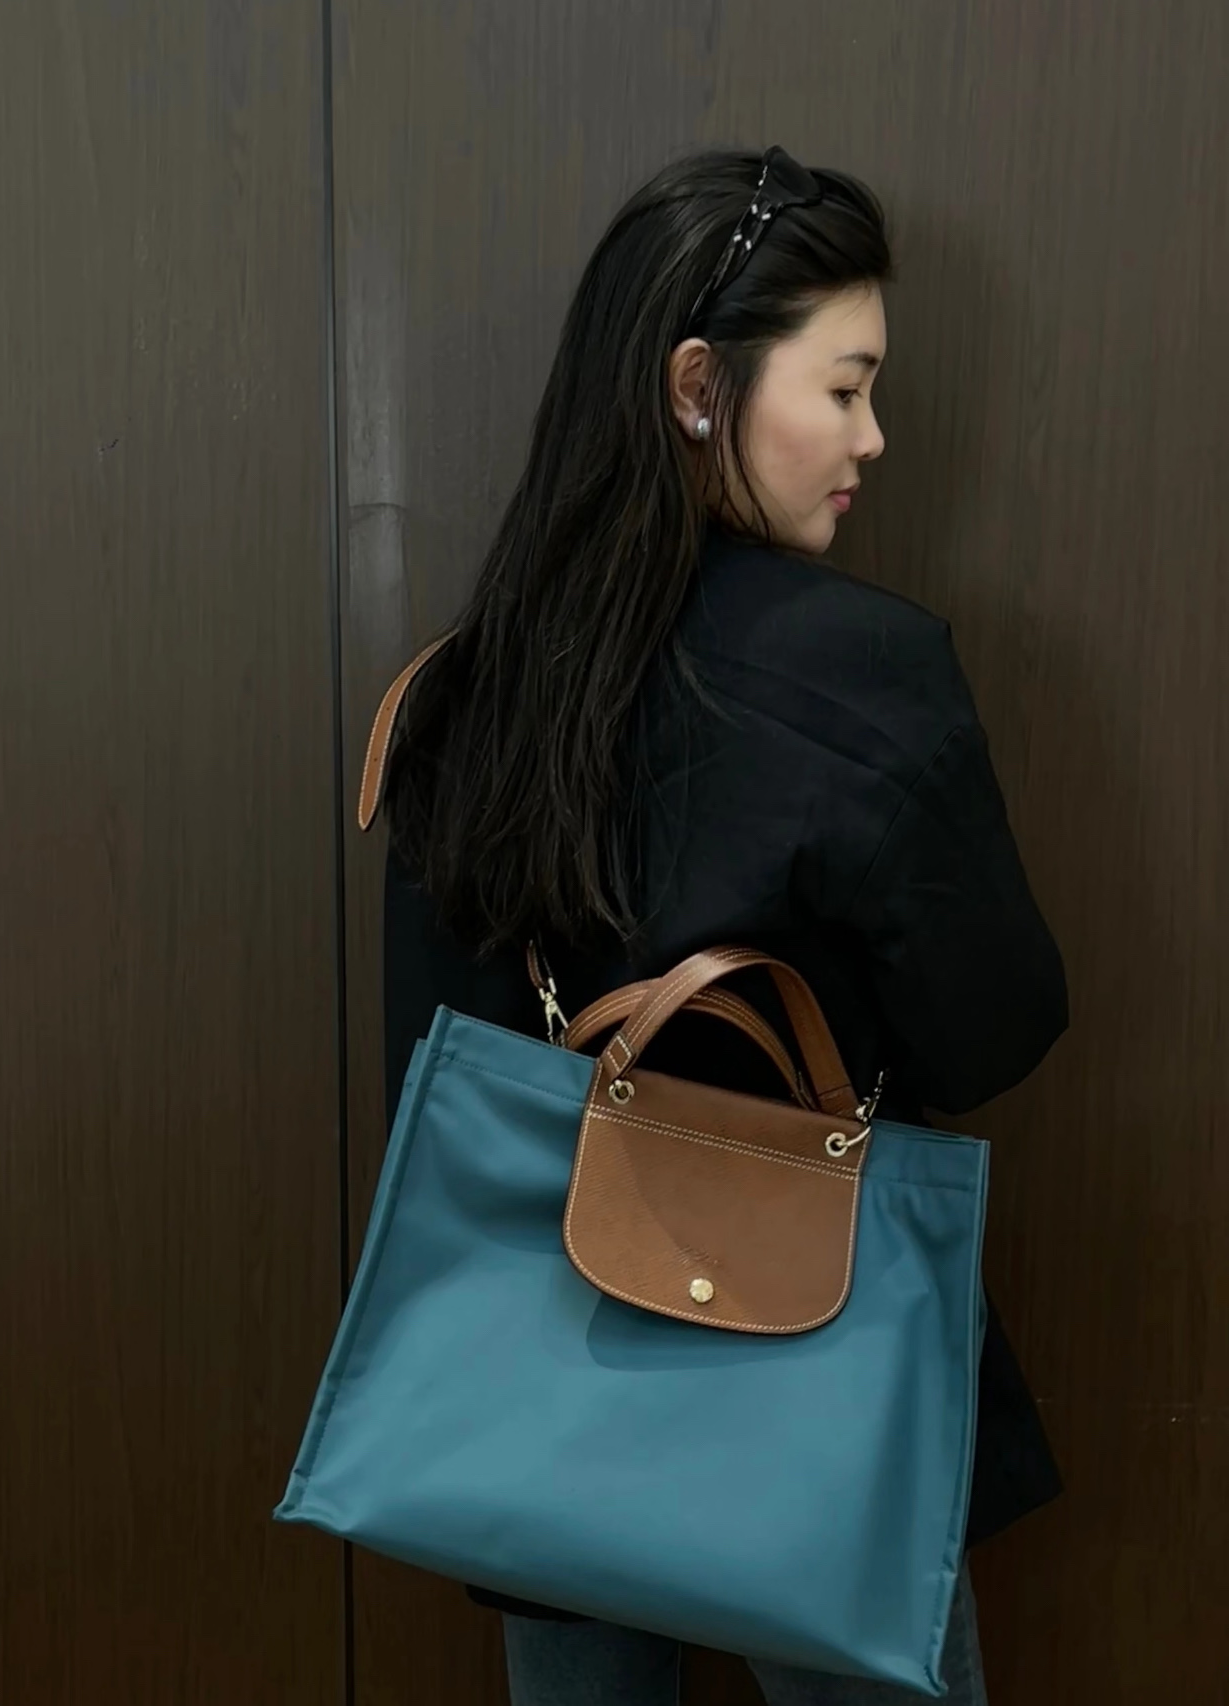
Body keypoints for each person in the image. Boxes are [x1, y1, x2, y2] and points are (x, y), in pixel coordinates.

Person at [379, 146, 1068, 1706]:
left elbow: (430, 1083)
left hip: (535, 1382)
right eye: (846, 388)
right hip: (814, 1374)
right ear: (699, 385)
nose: (871, 437)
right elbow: (992, 1029)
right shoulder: (862, 672)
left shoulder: (461, 696)